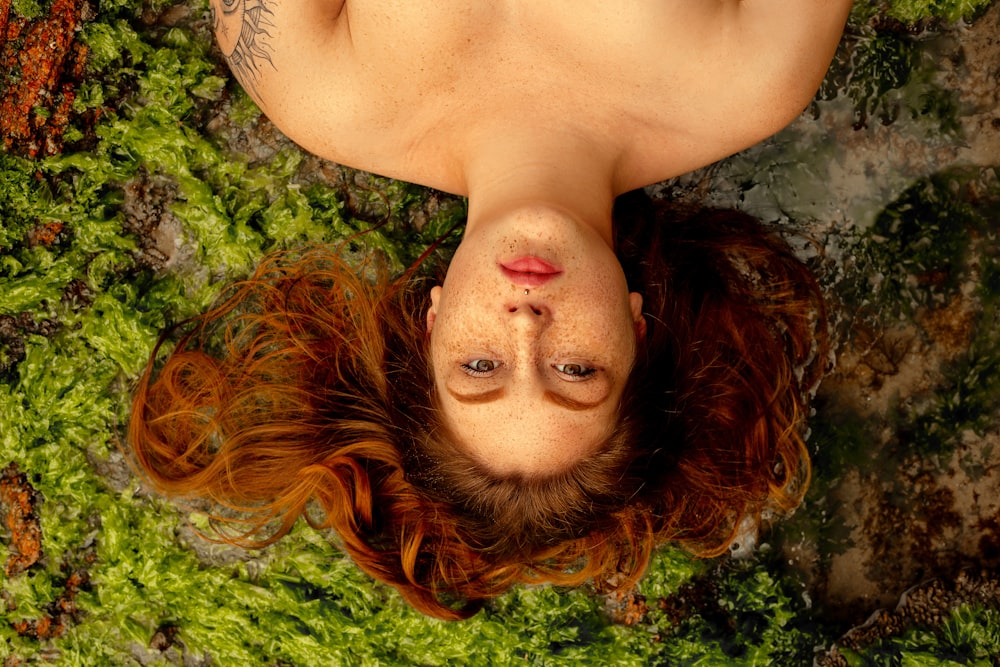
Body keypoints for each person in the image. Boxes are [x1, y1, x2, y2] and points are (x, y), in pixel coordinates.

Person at [130, 1, 852, 619]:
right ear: (638, 329)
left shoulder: (317, 90)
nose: (526, 324)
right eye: (575, 369)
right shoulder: (752, 78)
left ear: (432, 324)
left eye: (480, 366)